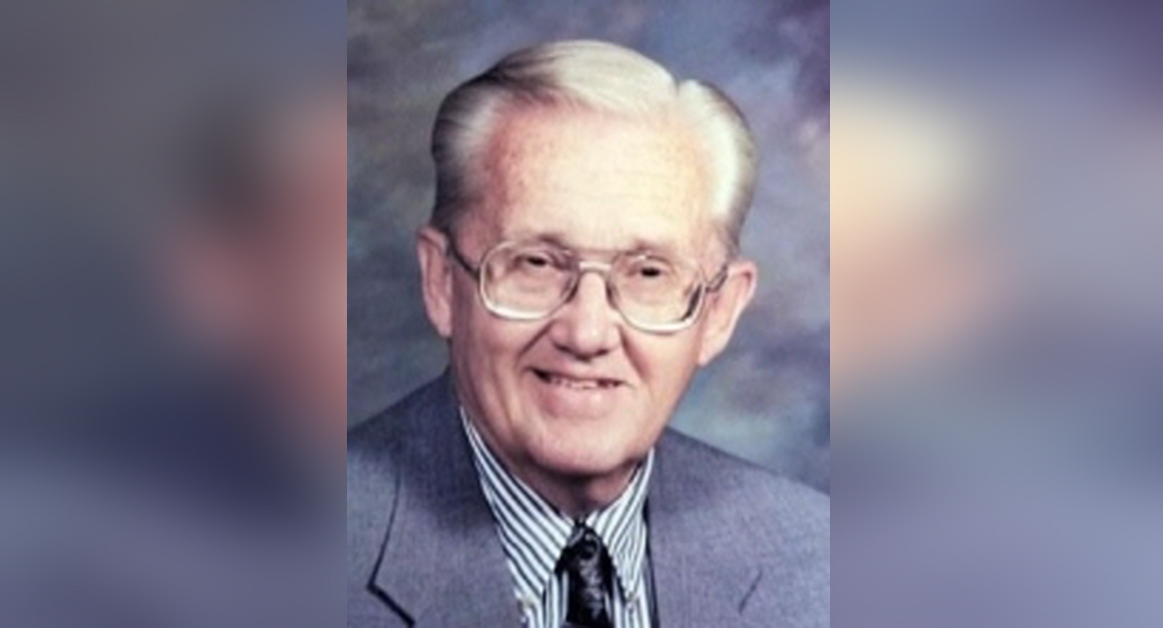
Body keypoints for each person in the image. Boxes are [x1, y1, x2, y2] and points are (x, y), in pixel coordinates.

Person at [348, 40, 829, 628]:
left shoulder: (817, 564)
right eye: (536, 263)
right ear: (442, 282)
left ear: (720, 311)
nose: (587, 332)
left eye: (648, 273)